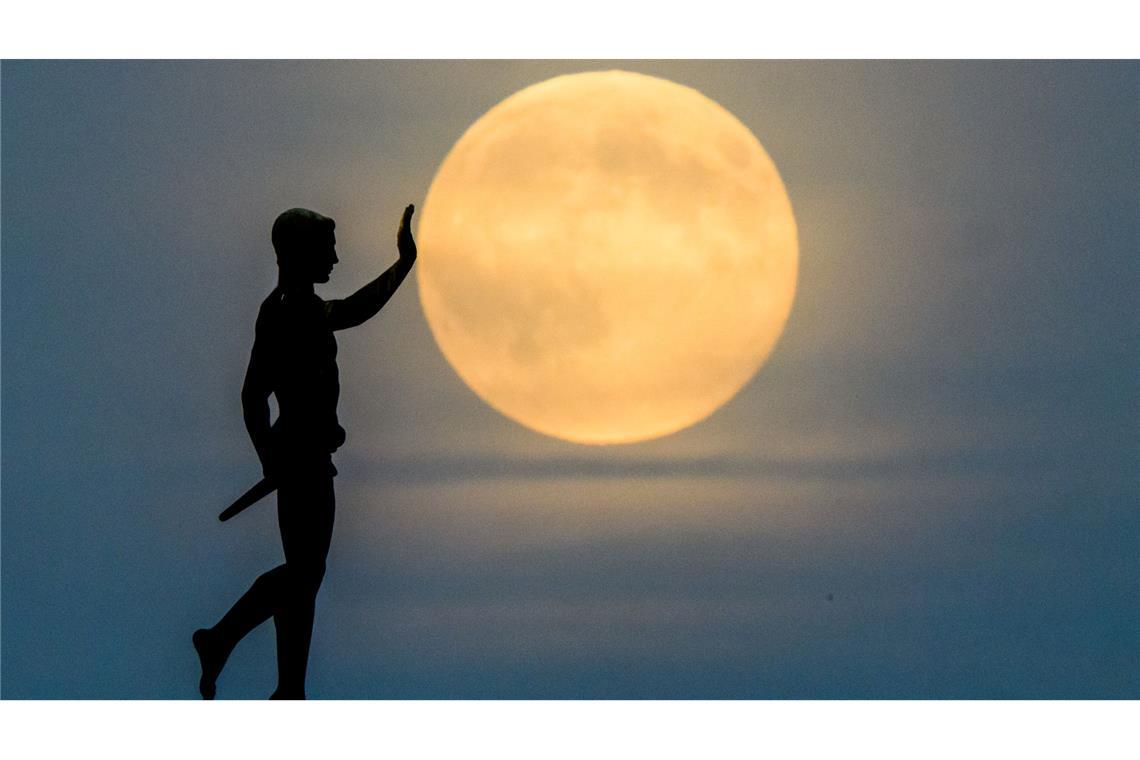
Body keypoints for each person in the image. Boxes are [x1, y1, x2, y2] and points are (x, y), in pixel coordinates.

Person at [193, 204, 418, 699]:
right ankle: (222, 639)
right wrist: (270, 455)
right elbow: (254, 394)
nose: (336, 258)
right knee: (305, 572)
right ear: (297, 254)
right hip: (300, 460)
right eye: (327, 249)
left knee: (306, 577)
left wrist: (403, 265)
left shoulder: (308, 309)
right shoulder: (282, 313)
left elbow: (355, 309)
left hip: (312, 458)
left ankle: (289, 688)